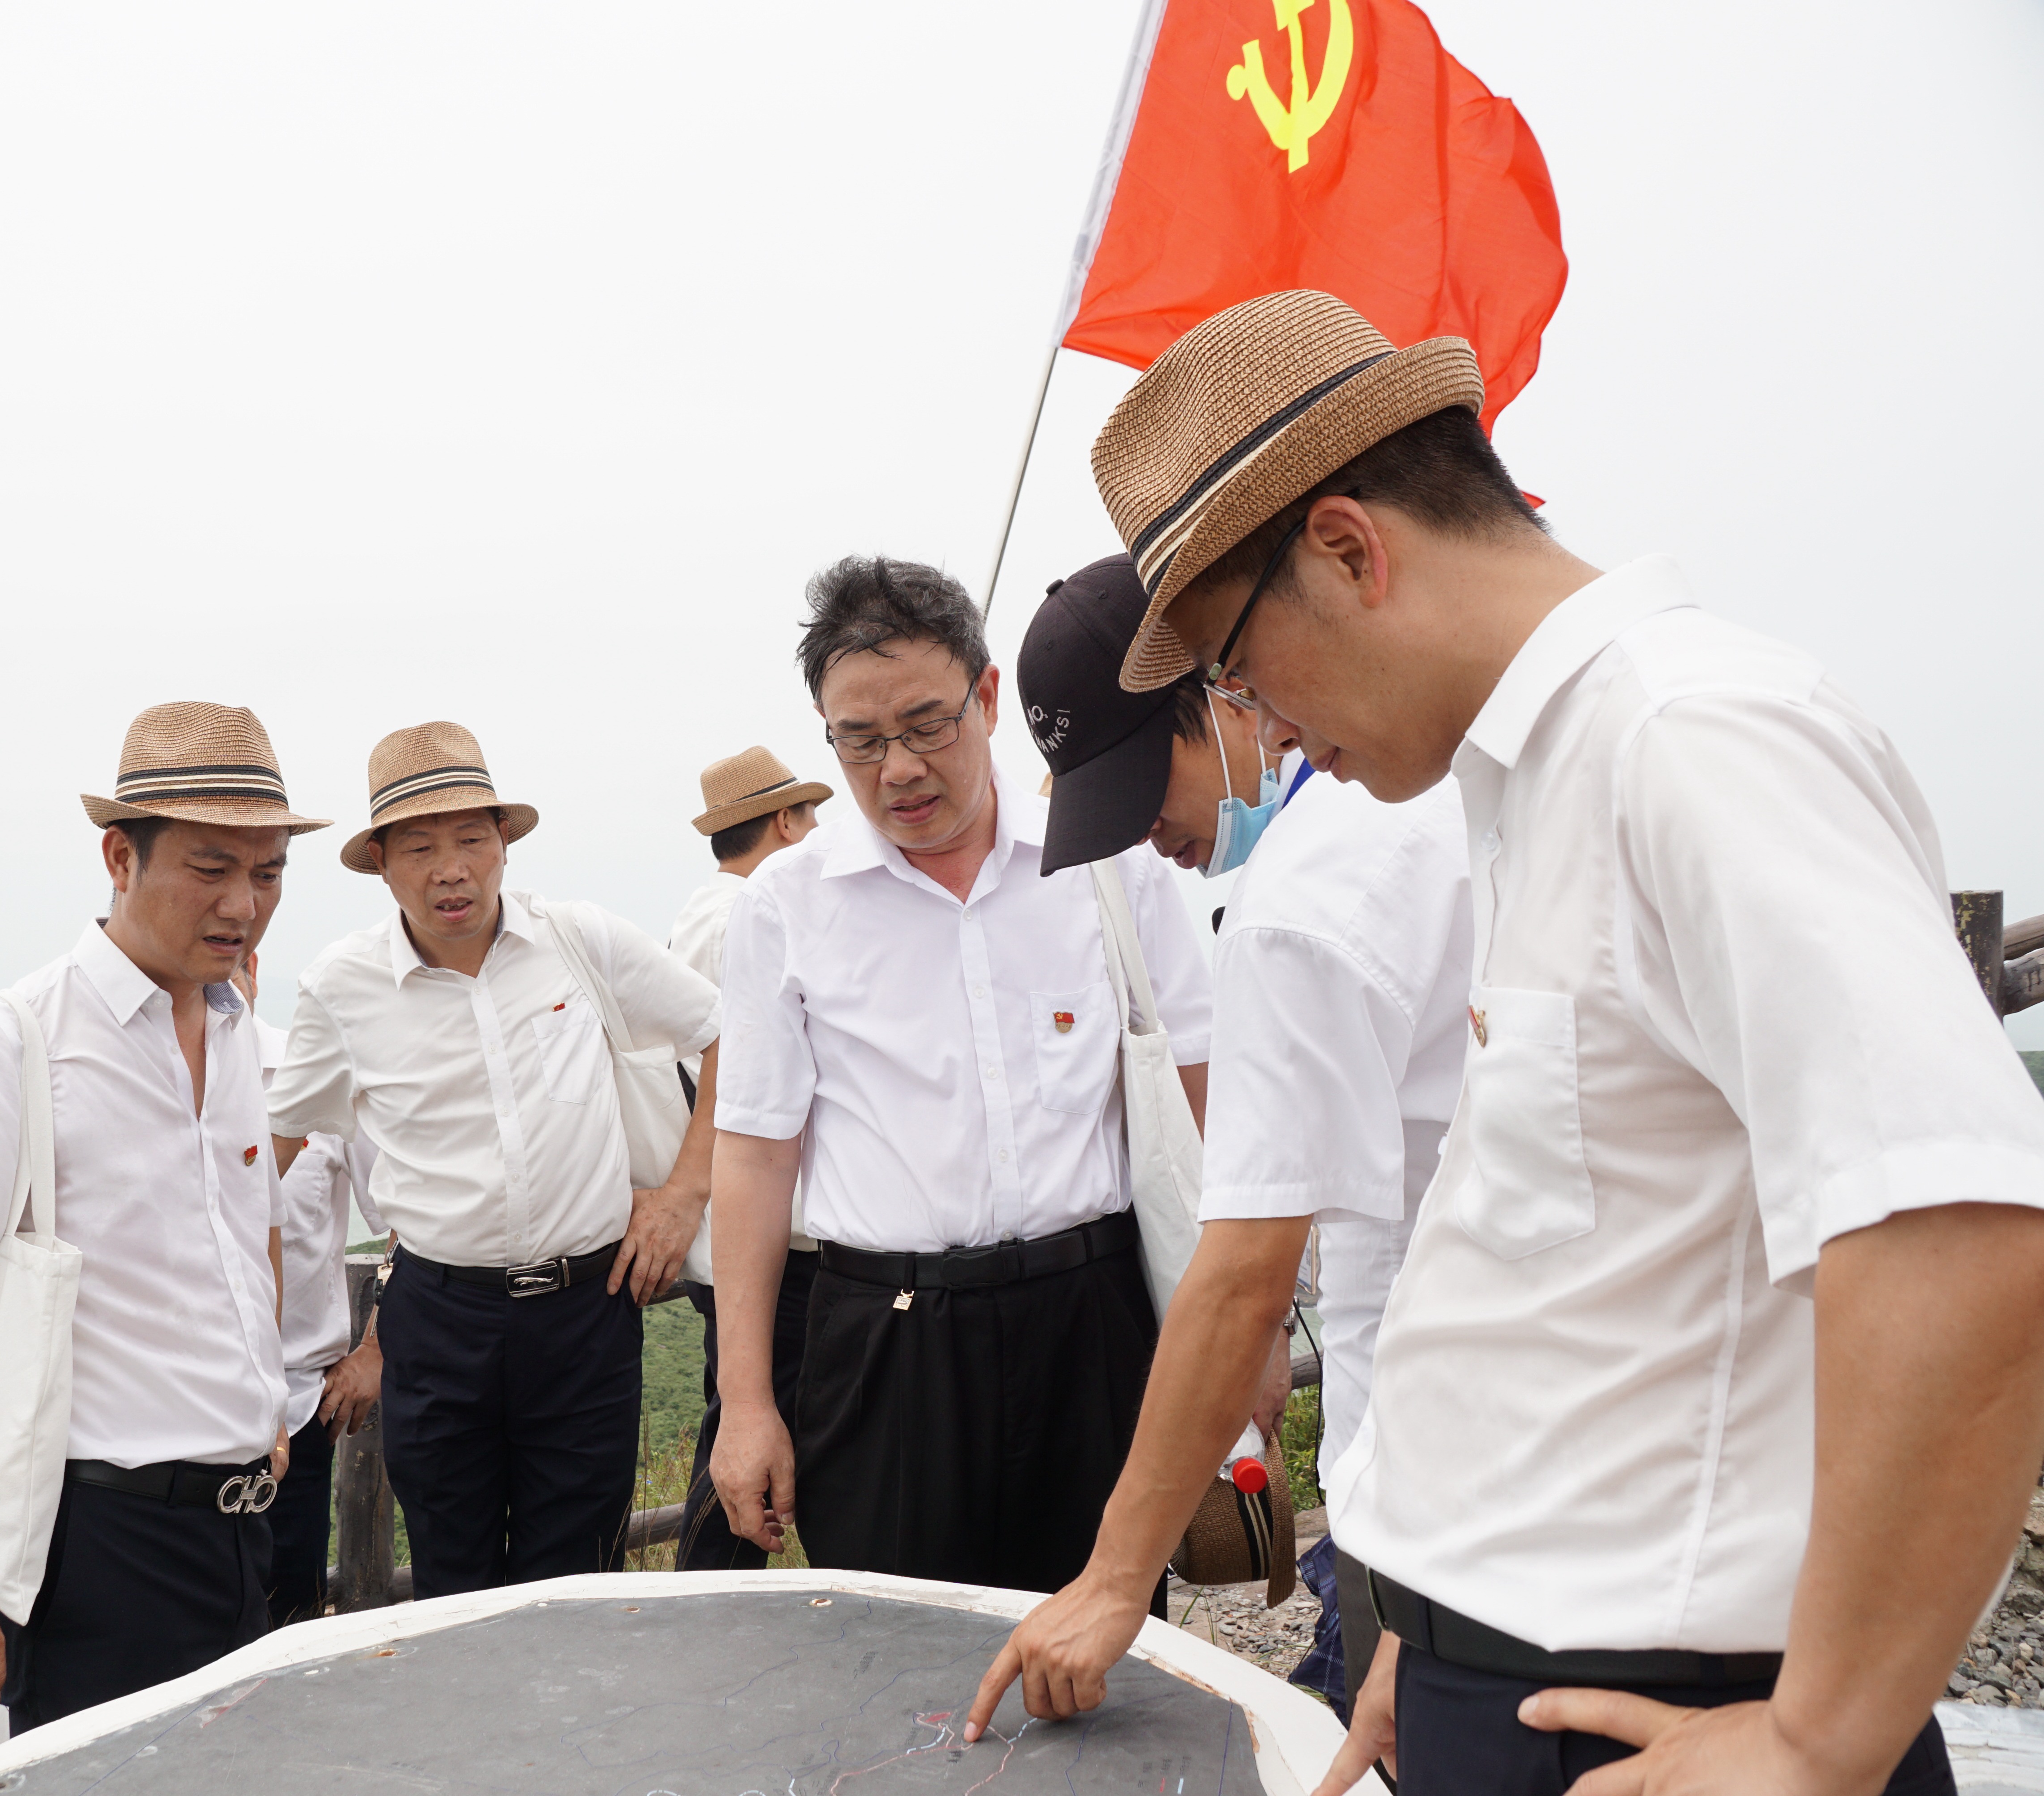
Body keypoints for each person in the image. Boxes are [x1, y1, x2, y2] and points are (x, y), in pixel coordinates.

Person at [974, 289, 2044, 1796]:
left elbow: (1959, 1235)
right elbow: (1574, 1273)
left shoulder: (1688, 742)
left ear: (1349, 550)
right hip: (1511, 1660)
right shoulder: (1526, 786)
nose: (1261, 723)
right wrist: (1431, 1602)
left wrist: (1819, 1740)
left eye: (1233, 665)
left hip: (1651, 1700)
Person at [998, 552, 1472, 1724]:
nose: (1143, 834)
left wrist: (1115, 1579)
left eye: (1142, 786)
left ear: (1224, 691)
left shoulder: (1295, 906)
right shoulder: (1444, 801)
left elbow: (1244, 1277)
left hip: (1421, 1469)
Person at [705, 556, 1217, 1600]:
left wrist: (1236, 1335)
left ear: (987, 698)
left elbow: (1203, 1096)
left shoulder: (1109, 864)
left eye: (926, 724)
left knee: (1107, 1641)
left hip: (1093, 1320)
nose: (898, 767)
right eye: (860, 738)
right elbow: (755, 1158)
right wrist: (747, 1401)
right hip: (889, 1345)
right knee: (895, 1660)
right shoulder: (786, 905)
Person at [0, 702, 325, 1769]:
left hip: (240, 1525)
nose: (244, 903)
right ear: (120, 857)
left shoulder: (237, 1032)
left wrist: (263, 1397)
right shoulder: (17, 1040)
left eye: (268, 872)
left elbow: (250, 1235)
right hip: (94, 1541)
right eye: (212, 867)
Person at [266, 722, 724, 1598]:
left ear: (504, 842)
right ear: (382, 864)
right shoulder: (342, 985)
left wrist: (683, 1193)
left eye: (471, 839)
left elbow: (728, 1035)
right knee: (454, 1584)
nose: (452, 869)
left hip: (587, 1311)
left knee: (580, 1582)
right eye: (420, 847)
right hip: (439, 1321)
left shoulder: (580, 940)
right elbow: (267, 1158)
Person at [666, 745, 831, 1571]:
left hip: (729, 1231)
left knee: (737, 1420)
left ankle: (711, 1595)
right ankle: (713, 1596)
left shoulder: (696, 917)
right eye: (809, 815)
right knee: (753, 1430)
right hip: (781, 1234)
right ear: (783, 823)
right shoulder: (752, 917)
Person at [240, 960, 387, 1627]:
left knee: (285, 1623)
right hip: (165, 1421)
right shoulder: (142, 1089)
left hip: (300, 1412)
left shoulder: (321, 1076)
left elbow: (408, 1215)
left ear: (252, 967)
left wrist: (376, 1348)